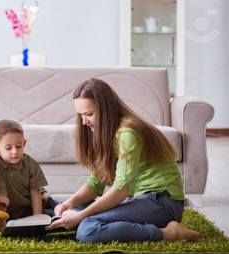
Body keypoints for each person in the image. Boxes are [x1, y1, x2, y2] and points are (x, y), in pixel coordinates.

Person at [46, 78, 203, 242]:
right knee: (66, 209)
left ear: (106, 110)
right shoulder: (107, 133)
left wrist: (80, 216)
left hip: (163, 203)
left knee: (88, 228)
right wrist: (69, 204)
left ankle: (170, 233)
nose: (84, 122)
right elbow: (95, 183)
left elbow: (121, 190)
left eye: (89, 114)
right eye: (80, 116)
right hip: (139, 200)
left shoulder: (128, 133)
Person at [0, 119, 57, 219]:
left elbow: (35, 193)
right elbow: (1, 197)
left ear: (24, 143)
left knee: (58, 209)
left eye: (18, 146)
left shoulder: (30, 163)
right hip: (17, 208)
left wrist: (37, 218)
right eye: (8, 148)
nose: (14, 152)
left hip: (38, 201)